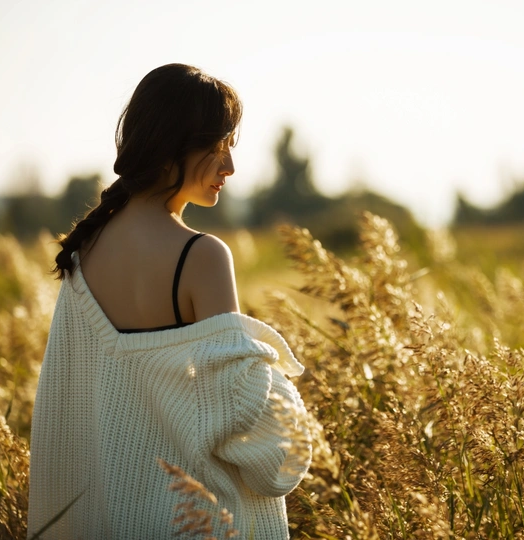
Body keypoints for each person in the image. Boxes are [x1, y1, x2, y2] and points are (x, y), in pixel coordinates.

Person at [27, 64, 311, 539]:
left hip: (109, 522)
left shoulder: (84, 253)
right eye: (216, 147)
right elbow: (257, 435)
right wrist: (283, 397)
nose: (230, 167)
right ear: (170, 146)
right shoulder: (201, 256)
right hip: (194, 523)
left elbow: (67, 417)